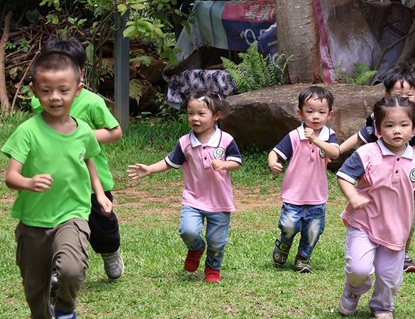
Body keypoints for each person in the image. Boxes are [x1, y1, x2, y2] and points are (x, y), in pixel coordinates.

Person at [2, 51, 112, 319]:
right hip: (33, 220)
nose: (55, 97)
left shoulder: (83, 131)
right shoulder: (27, 131)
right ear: (34, 91)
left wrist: (100, 193)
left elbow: (89, 161)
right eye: (46, 90)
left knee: (71, 269)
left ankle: (65, 308)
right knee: (34, 283)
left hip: (72, 214)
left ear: (77, 90)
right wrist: (28, 183)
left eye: (63, 90)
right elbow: (11, 176)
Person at [336, 96, 415, 319]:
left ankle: (382, 304)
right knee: (358, 269)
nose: (397, 131)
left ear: (414, 128)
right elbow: (344, 176)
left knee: (390, 276)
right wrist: (353, 197)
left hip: (396, 229)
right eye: (389, 125)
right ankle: (353, 290)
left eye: (404, 125)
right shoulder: (367, 153)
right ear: (377, 129)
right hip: (364, 222)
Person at [338, 65, 415, 274]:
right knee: (378, 214)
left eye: (409, 96)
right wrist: (338, 150)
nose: (404, 100)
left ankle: (402, 252)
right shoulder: (381, 119)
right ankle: (370, 246)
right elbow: (360, 137)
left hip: (410, 179)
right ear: (387, 96)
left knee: (406, 219)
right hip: (379, 176)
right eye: (398, 96)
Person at [30, 36, 125, 282]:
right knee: (58, 226)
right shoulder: (39, 101)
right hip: (58, 181)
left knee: (102, 228)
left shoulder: (92, 102)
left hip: (93, 182)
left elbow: (115, 132)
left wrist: (80, 136)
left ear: (80, 75)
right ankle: (63, 268)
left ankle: (110, 252)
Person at [127, 94, 241, 283]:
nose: (195, 118)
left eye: (201, 114)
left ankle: (213, 269)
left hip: (220, 201)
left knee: (216, 241)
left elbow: (236, 161)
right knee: (188, 231)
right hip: (193, 199)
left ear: (216, 116)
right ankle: (196, 248)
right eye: (190, 113)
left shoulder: (226, 140)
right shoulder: (185, 142)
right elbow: (169, 162)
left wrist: (224, 164)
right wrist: (150, 169)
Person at [267, 86, 341, 273]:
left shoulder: (329, 136)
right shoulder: (294, 136)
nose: (316, 116)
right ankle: (284, 243)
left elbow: (335, 153)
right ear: (300, 113)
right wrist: (273, 162)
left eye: (321, 112)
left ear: (329, 114)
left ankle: (303, 258)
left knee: (313, 230)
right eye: (310, 111)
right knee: (288, 226)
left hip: (316, 196)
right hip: (294, 194)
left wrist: (315, 140)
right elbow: (275, 152)